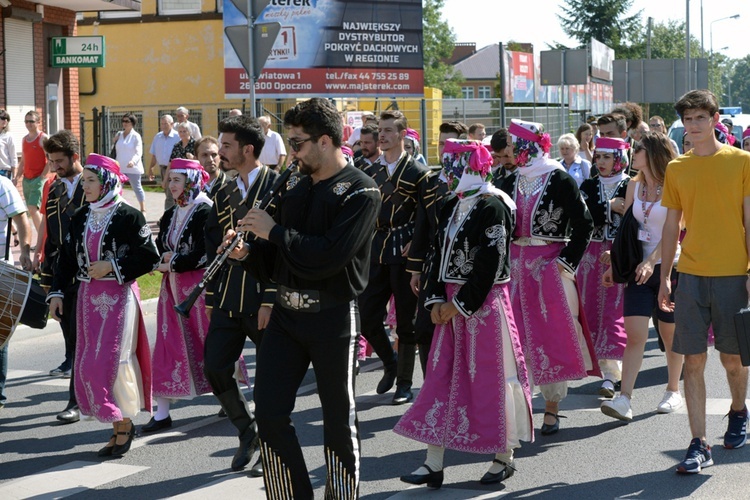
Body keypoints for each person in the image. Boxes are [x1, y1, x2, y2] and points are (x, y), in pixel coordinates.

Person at [229, 97, 380, 499]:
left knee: (337, 419)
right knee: (271, 413)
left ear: (326, 141)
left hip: (332, 317)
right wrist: (249, 252)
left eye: (297, 143)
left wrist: (273, 232)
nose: (290, 152)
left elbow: (328, 256)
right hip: (285, 315)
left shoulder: (361, 193)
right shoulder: (293, 183)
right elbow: (279, 261)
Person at [395, 138, 532, 489]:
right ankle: (433, 463)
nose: (445, 174)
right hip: (450, 307)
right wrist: (435, 300)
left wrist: (456, 306)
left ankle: (504, 457)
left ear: (469, 166)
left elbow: (490, 264)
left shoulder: (494, 205)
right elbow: (435, 257)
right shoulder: (451, 205)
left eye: (451, 165)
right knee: (440, 378)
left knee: (493, 380)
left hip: (483, 308)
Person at [657, 89, 750, 474]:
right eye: (687, 120)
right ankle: (699, 443)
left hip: (733, 274)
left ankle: (739, 410)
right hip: (691, 275)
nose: (693, 126)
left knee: (732, 361)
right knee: (691, 361)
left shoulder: (742, 162)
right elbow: (670, 225)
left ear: (714, 120)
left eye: (700, 118)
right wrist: (665, 277)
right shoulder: (678, 169)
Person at [47, 153, 159, 457]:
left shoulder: (129, 216)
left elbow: (150, 256)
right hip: (87, 299)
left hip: (119, 297)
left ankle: (124, 424)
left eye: (91, 180)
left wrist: (112, 266)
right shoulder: (81, 215)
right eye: (85, 180)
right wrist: (56, 293)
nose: (86, 185)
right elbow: (66, 258)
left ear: (107, 181)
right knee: (87, 363)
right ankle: (115, 426)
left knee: (111, 363)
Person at [501, 119, 597, 436]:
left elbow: (584, 225)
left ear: (529, 147)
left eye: (516, 145)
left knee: (550, 336)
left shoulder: (558, 178)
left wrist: (566, 262)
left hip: (548, 267)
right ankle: (518, 410)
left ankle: (552, 407)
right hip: (514, 269)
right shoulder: (508, 179)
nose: (511, 151)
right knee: (513, 338)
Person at [203, 115, 278, 475]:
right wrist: (221, 247)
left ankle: (272, 445)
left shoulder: (278, 186)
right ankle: (247, 431)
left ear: (248, 149)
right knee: (215, 367)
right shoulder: (221, 189)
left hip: (263, 296)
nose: (220, 152)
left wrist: (270, 297)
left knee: (269, 380)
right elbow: (213, 236)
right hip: (228, 293)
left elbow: (284, 250)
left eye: (227, 145)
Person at [600, 131, 683, 422]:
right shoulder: (633, 185)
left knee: (669, 335)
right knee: (634, 335)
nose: (632, 154)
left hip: (668, 267)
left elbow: (674, 230)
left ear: (652, 154)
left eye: (638, 149)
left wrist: (652, 261)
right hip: (638, 269)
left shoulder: (674, 183)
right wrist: (615, 262)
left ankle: (673, 390)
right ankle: (625, 398)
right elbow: (627, 230)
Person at [145, 159, 230, 433]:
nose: (171, 186)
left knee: (208, 342)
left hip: (199, 289)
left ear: (191, 182)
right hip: (171, 290)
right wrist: (161, 260)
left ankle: (228, 398)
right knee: (168, 345)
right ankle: (162, 412)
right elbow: (160, 246)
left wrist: (174, 261)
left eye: (176, 181)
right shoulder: (171, 214)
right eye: (169, 180)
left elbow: (205, 253)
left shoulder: (205, 210)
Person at [360, 109, 432, 405]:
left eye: (389, 131)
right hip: (376, 250)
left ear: (402, 134)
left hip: (404, 252)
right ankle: (389, 362)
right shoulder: (371, 172)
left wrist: (416, 242)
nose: (383, 136)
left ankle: (404, 383)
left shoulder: (418, 172)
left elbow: (428, 216)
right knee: (366, 318)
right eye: (381, 131)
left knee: (406, 322)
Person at [40, 130, 87, 423]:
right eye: (51, 161)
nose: (55, 167)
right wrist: (48, 279)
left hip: (92, 275)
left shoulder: (95, 183)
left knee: (83, 341)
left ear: (74, 157)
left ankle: (76, 401)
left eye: (59, 161)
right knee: (73, 339)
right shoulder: (54, 190)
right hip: (65, 276)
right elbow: (52, 237)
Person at [576, 137, 630, 398]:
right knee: (590, 309)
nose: (600, 162)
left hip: (619, 253)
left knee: (613, 310)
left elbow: (632, 218)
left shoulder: (631, 184)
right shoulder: (588, 184)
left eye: (607, 157)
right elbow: (582, 215)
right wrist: (609, 207)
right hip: (591, 256)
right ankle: (603, 369)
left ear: (619, 159)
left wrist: (602, 212)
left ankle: (612, 374)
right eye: (598, 157)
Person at [0, 173, 32, 411]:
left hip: (1, 272)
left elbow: (21, 218)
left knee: (0, 335)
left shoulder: (2, 184)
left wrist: (25, 251)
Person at [15, 111, 49, 232]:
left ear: (38, 122)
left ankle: (42, 241)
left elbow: (50, 160)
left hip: (38, 180)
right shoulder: (24, 139)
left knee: (32, 208)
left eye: (31, 121)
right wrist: (17, 177)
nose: (28, 124)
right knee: (32, 210)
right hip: (26, 179)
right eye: (26, 121)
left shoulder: (43, 138)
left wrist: (42, 177)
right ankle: (43, 239)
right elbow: (23, 161)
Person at [115, 113, 146, 213]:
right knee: (117, 188)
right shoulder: (119, 134)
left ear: (132, 123)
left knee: (137, 188)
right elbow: (116, 149)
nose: (124, 123)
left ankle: (143, 208)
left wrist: (133, 161)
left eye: (127, 121)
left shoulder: (136, 136)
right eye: (123, 121)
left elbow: (139, 151)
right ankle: (118, 208)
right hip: (120, 167)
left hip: (133, 167)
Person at [148, 114, 180, 209]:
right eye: (162, 124)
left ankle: (167, 217)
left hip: (174, 169)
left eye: (166, 124)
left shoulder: (177, 137)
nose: (163, 126)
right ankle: (174, 213)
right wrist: (151, 168)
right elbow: (154, 154)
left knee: (170, 195)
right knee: (167, 193)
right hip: (162, 169)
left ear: (172, 124)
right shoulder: (157, 137)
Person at [0, 110, 17, 180]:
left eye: (7, 119)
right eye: (3, 118)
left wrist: (14, 176)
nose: (5, 121)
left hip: (4, 172)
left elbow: (13, 156)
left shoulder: (8, 136)